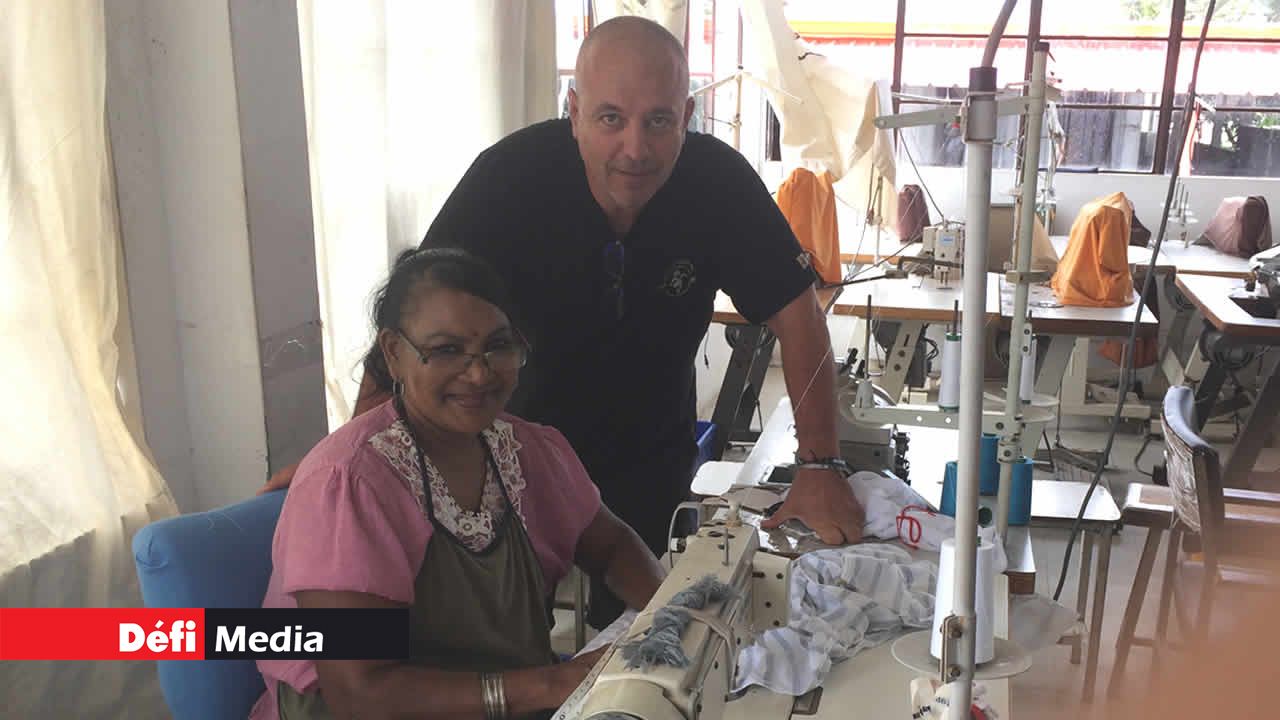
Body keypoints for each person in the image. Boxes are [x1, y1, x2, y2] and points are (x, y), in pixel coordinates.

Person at [263, 16, 864, 628]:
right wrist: (349, 457)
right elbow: (414, 311)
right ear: (574, 111)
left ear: (687, 116)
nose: (635, 148)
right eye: (611, 118)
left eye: (659, 121)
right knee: (497, 622)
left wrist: (820, 466)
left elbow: (799, 315)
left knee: (637, 629)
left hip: (648, 447)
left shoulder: (719, 182)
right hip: (512, 453)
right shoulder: (509, 178)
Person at [250, 248, 665, 720]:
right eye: (447, 350)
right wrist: (549, 683)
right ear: (394, 353)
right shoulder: (351, 483)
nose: (479, 373)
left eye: (498, 346)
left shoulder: (529, 453)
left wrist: (670, 612)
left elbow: (610, 545)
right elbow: (359, 693)